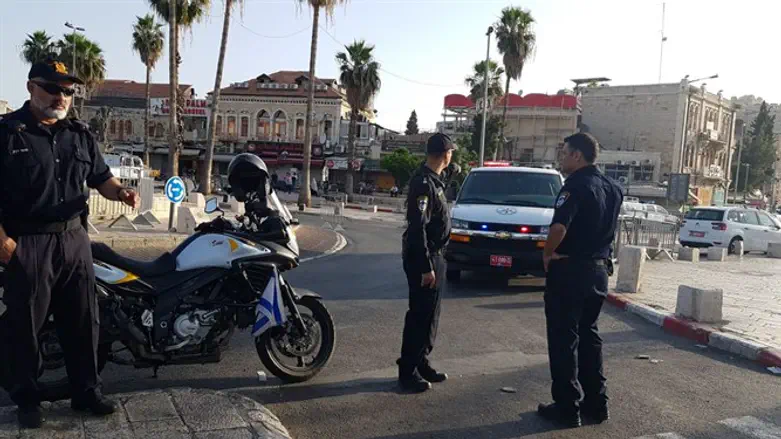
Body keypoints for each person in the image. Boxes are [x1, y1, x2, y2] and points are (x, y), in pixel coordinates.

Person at [0, 59, 140, 429]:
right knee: (26, 326)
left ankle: (86, 391)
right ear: (31, 87)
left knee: (83, 320)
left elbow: (101, 178)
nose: (61, 97)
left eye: (67, 91)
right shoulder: (8, 133)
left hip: (75, 240)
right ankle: (27, 399)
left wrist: (121, 192)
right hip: (29, 242)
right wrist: (6, 245)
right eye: (52, 88)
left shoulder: (79, 134)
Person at [538, 133, 622, 428]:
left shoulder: (575, 185)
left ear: (577, 155)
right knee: (589, 337)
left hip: (570, 270)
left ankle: (567, 407)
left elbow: (559, 227)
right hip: (598, 271)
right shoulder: (612, 188)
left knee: (564, 339)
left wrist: (547, 253)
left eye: (564, 153)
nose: (561, 158)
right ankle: (597, 404)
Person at [397, 133, 455, 393]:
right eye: (450, 153)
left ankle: (421, 361)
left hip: (437, 254)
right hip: (425, 257)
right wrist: (425, 267)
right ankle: (408, 370)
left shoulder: (435, 181)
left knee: (431, 314)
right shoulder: (423, 184)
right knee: (419, 315)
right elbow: (417, 227)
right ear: (445, 154)